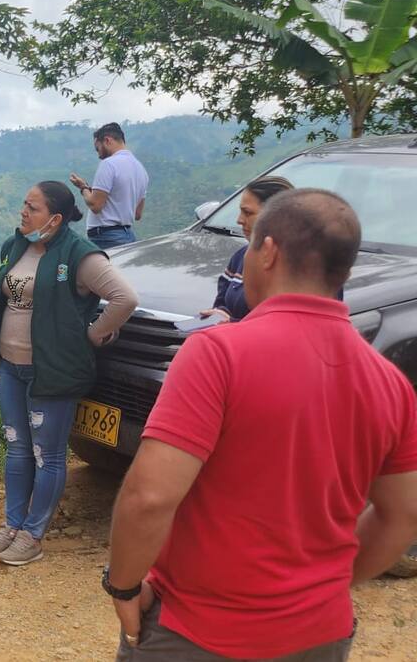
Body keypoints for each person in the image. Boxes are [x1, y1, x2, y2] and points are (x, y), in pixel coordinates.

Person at [105, 189, 417, 660]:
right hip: (320, 634)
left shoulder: (218, 354)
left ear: (267, 252)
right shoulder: (390, 383)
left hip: (199, 631)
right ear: (344, 271)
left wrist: (124, 587)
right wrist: (323, 585)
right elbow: (404, 515)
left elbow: (149, 496)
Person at [0, 181, 137, 566]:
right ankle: (12, 524)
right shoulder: (15, 246)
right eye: (23, 204)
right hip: (11, 365)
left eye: (31, 207)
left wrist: (93, 334)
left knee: (45, 453)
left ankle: (33, 535)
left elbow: (125, 298)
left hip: (52, 370)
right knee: (17, 446)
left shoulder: (80, 255)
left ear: (55, 217)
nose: (23, 212)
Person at [200, 175, 293, 322]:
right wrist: (219, 314)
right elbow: (223, 302)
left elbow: (290, 325)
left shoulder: (304, 268)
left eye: (248, 213)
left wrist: (232, 325)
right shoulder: (241, 257)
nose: (239, 220)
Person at [69, 122, 149, 249]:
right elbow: (137, 214)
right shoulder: (141, 170)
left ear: (107, 140)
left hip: (106, 237)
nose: (99, 155)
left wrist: (83, 187)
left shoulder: (109, 164)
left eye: (98, 148)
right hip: (128, 236)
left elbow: (95, 205)